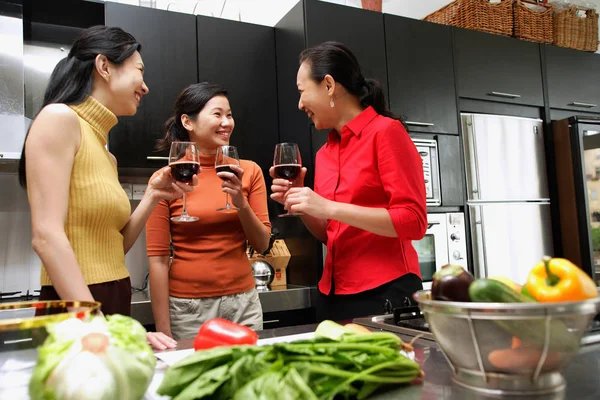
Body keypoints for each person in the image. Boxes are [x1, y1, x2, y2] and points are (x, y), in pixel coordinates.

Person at [19, 25, 197, 350]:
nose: (145, 86)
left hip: (112, 293)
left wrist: (154, 194)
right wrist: (97, 324)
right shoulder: (59, 119)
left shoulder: (104, 152)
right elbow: (46, 236)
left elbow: (113, 248)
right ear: (104, 66)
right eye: (139, 71)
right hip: (74, 305)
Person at [270, 41, 427, 321]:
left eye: (302, 91)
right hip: (333, 294)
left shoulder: (386, 132)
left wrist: (329, 207)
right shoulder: (325, 153)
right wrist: (303, 204)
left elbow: (413, 222)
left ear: (328, 85)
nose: (299, 104)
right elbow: (327, 234)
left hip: (387, 292)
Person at [146, 83, 271, 340]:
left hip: (244, 304)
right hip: (189, 309)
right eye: (217, 114)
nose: (227, 122)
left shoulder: (248, 171)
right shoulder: (165, 179)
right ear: (188, 122)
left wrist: (240, 202)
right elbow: (157, 260)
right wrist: (163, 330)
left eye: (230, 115)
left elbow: (262, 242)